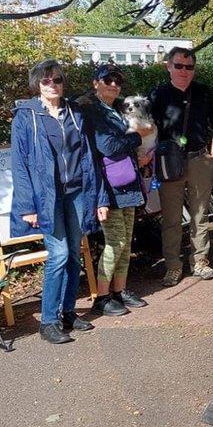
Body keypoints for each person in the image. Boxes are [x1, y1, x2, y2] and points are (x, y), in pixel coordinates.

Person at [11, 60, 108, 344]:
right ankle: (48, 320)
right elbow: (20, 165)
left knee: (76, 254)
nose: (52, 85)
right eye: (46, 81)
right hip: (46, 196)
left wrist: (99, 198)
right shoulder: (26, 116)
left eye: (56, 80)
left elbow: (90, 158)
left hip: (76, 192)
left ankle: (67, 312)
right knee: (60, 255)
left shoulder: (75, 113)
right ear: (37, 85)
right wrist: (27, 206)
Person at [79, 64, 151, 317]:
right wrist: (137, 137)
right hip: (107, 186)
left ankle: (119, 291)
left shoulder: (116, 109)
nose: (113, 84)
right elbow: (107, 146)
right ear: (95, 82)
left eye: (117, 80)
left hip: (127, 181)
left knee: (125, 241)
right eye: (107, 79)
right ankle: (101, 297)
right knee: (114, 241)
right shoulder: (91, 110)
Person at [149, 47, 213, 286]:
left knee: (200, 214)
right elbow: (149, 128)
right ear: (168, 66)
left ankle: (200, 261)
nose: (184, 71)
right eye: (179, 65)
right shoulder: (158, 94)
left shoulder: (203, 92)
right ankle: (173, 266)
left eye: (189, 67)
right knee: (171, 217)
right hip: (170, 161)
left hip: (199, 159)